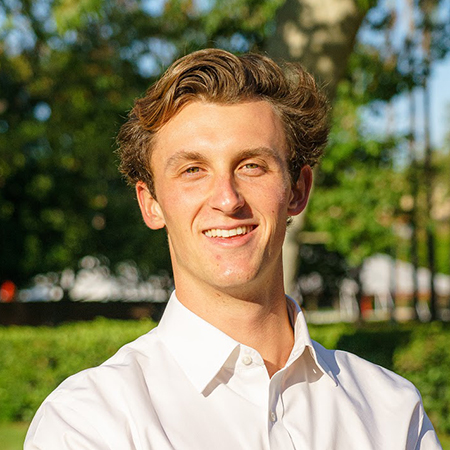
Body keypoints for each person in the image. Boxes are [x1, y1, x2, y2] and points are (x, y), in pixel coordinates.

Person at [25, 49, 442, 450]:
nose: (227, 199)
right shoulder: (88, 423)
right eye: (193, 170)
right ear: (151, 204)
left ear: (298, 190)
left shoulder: (391, 409)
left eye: (251, 166)